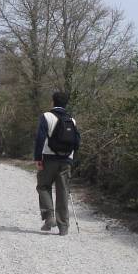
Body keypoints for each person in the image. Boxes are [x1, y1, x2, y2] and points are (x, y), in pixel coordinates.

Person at [34, 90, 80, 236]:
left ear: (52, 102)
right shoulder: (72, 120)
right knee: (63, 192)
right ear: (66, 104)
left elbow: (40, 139)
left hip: (48, 159)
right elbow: (77, 142)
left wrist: (38, 158)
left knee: (43, 186)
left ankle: (49, 217)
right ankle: (63, 227)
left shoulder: (46, 117)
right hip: (66, 160)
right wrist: (72, 160)